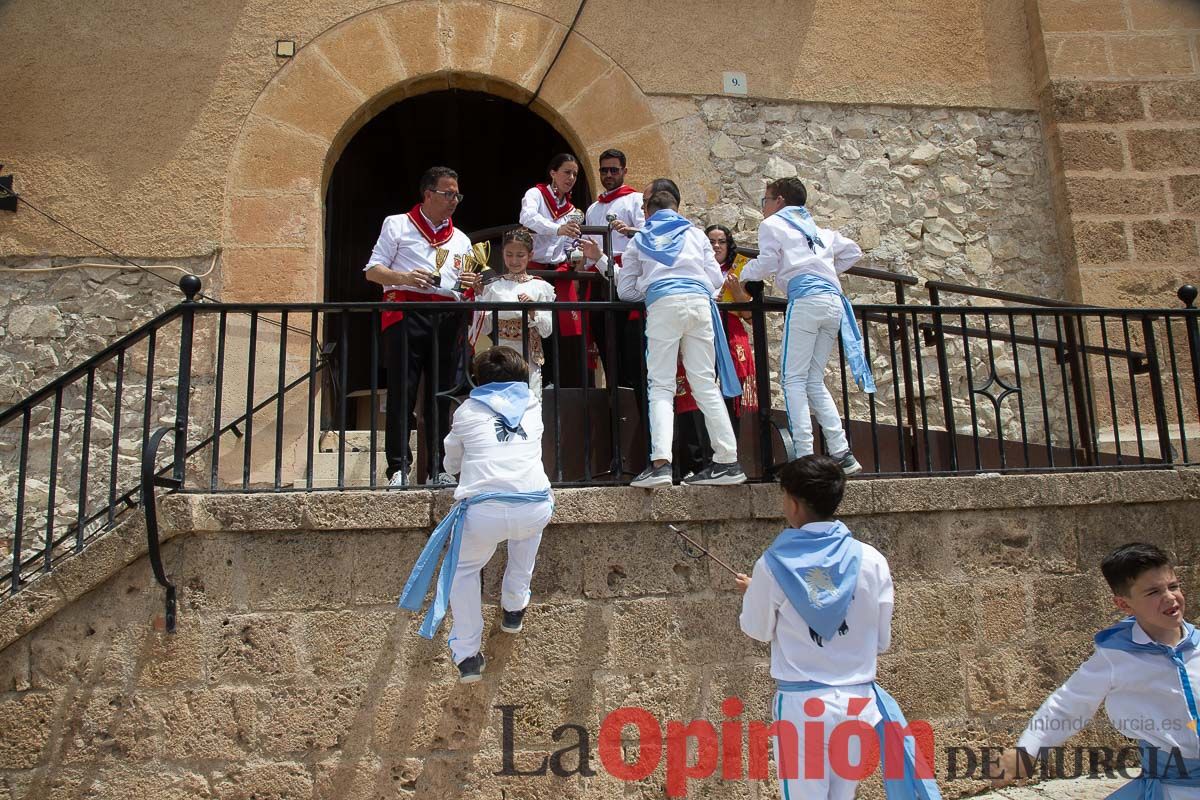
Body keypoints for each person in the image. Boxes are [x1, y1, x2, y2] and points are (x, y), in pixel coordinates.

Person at [737, 455, 939, 800]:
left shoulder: (771, 565)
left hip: (803, 705)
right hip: (858, 702)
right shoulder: (873, 560)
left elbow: (756, 629)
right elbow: (882, 640)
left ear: (794, 504)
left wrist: (757, 591)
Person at [397, 347, 554, 683]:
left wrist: (455, 467)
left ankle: (468, 654)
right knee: (526, 538)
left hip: (485, 508)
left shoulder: (467, 410)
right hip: (534, 501)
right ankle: (514, 606)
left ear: (479, 380)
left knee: (464, 570)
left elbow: (451, 460)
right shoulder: (534, 407)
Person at [994, 542, 1198, 798]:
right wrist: (1027, 749)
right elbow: (1067, 705)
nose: (1170, 597)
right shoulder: (1116, 657)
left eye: (1173, 586)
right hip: (1171, 790)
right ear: (1124, 605)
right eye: (1153, 592)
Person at [615, 182, 745, 488]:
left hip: (663, 306)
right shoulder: (696, 234)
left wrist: (650, 289)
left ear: (647, 212)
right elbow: (715, 279)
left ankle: (661, 463)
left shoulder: (641, 237)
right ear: (676, 209)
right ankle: (728, 461)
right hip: (700, 305)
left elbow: (625, 290)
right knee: (704, 384)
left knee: (660, 385)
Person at [739, 177, 872, 475]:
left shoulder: (773, 225)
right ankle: (842, 452)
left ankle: (804, 454)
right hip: (832, 301)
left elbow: (768, 263)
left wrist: (745, 274)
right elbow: (853, 252)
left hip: (807, 301)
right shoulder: (821, 231)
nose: (764, 207)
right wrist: (822, 272)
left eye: (765, 200)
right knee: (813, 379)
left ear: (780, 201)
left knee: (793, 380)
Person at [365, 165, 479, 487]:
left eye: (457, 194)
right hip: (407, 312)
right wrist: (404, 277)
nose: (454, 200)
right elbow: (372, 271)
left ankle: (439, 469)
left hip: (447, 317)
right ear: (428, 194)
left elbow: (466, 287)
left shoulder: (461, 239)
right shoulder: (397, 224)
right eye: (448, 193)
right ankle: (399, 469)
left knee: (442, 395)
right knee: (403, 392)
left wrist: (472, 283)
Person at [674, 224, 760, 478]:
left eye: (721, 242)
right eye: (711, 242)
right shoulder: (694, 271)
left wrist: (735, 291)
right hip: (698, 337)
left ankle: (725, 459)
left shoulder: (740, 272)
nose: (716, 247)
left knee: (726, 400)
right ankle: (698, 462)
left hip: (730, 341)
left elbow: (749, 316)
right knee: (694, 398)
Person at [519, 153, 586, 387]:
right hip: (536, 270)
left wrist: (573, 249)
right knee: (537, 324)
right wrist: (558, 230)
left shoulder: (572, 210)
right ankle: (539, 381)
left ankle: (565, 385)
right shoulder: (535, 194)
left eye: (575, 174)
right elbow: (527, 217)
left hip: (560, 272)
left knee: (567, 330)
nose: (571, 178)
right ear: (553, 173)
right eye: (567, 172)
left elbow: (569, 243)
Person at [583, 148, 645, 390]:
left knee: (626, 343)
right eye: (604, 170)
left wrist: (627, 231)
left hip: (625, 276)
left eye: (613, 170)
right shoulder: (592, 209)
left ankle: (629, 394)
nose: (608, 174)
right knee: (605, 342)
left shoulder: (636, 200)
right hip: (599, 278)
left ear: (624, 171)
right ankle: (613, 394)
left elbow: (646, 235)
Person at [474, 228, 555, 394]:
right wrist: (479, 297)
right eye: (509, 254)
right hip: (500, 355)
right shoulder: (493, 287)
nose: (514, 260)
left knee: (530, 400)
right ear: (502, 253)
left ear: (530, 256)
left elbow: (547, 331)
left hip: (528, 357)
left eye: (520, 255)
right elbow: (485, 328)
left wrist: (533, 311)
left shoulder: (540, 287)